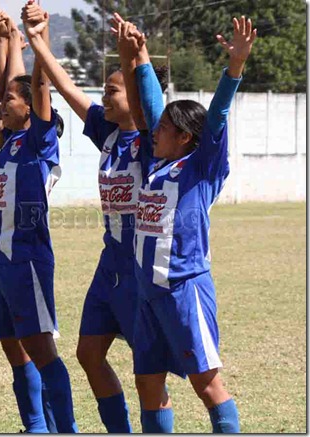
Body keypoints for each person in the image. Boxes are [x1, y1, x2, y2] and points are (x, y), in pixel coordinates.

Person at [24, 2, 172, 432]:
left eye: (114, 90)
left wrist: (132, 57)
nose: (104, 97)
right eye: (106, 90)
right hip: (110, 266)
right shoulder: (108, 133)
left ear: (136, 97)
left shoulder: (150, 142)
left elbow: (146, 104)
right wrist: (37, 39)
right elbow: (65, 87)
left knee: (149, 372)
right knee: (89, 354)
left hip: (142, 269)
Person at [123, 14, 256, 433]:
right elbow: (149, 105)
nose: (154, 130)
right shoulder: (159, 167)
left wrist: (233, 68)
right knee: (147, 381)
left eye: (163, 128)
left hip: (184, 290)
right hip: (149, 293)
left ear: (184, 137)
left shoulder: (201, 168)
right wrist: (141, 57)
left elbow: (215, 118)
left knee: (206, 382)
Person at [0, 6, 78, 433]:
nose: (3, 105)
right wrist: (6, 40)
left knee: (41, 350)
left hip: (27, 263)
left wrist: (37, 37)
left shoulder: (40, 143)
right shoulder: (7, 145)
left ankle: (65, 429)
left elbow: (36, 86)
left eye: (10, 101)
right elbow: (11, 84)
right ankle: (35, 427)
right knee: (13, 349)